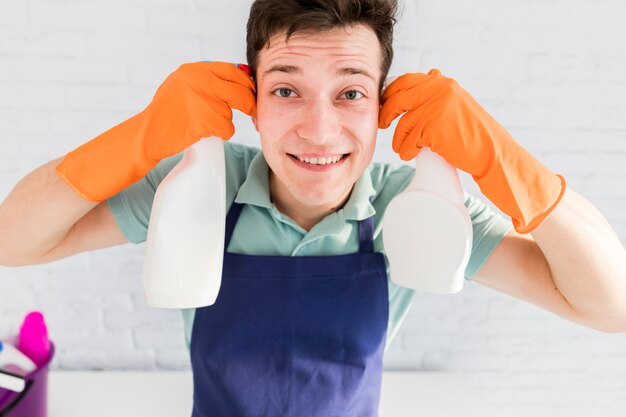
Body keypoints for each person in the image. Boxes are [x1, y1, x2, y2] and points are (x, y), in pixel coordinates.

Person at [1, 0, 625, 415]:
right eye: (286, 89)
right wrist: (139, 136)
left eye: (351, 91)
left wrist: (502, 160)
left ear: (383, 103)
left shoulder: (413, 207)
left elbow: (611, 308)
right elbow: (13, 241)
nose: (319, 131)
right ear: (252, 97)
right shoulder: (198, 188)